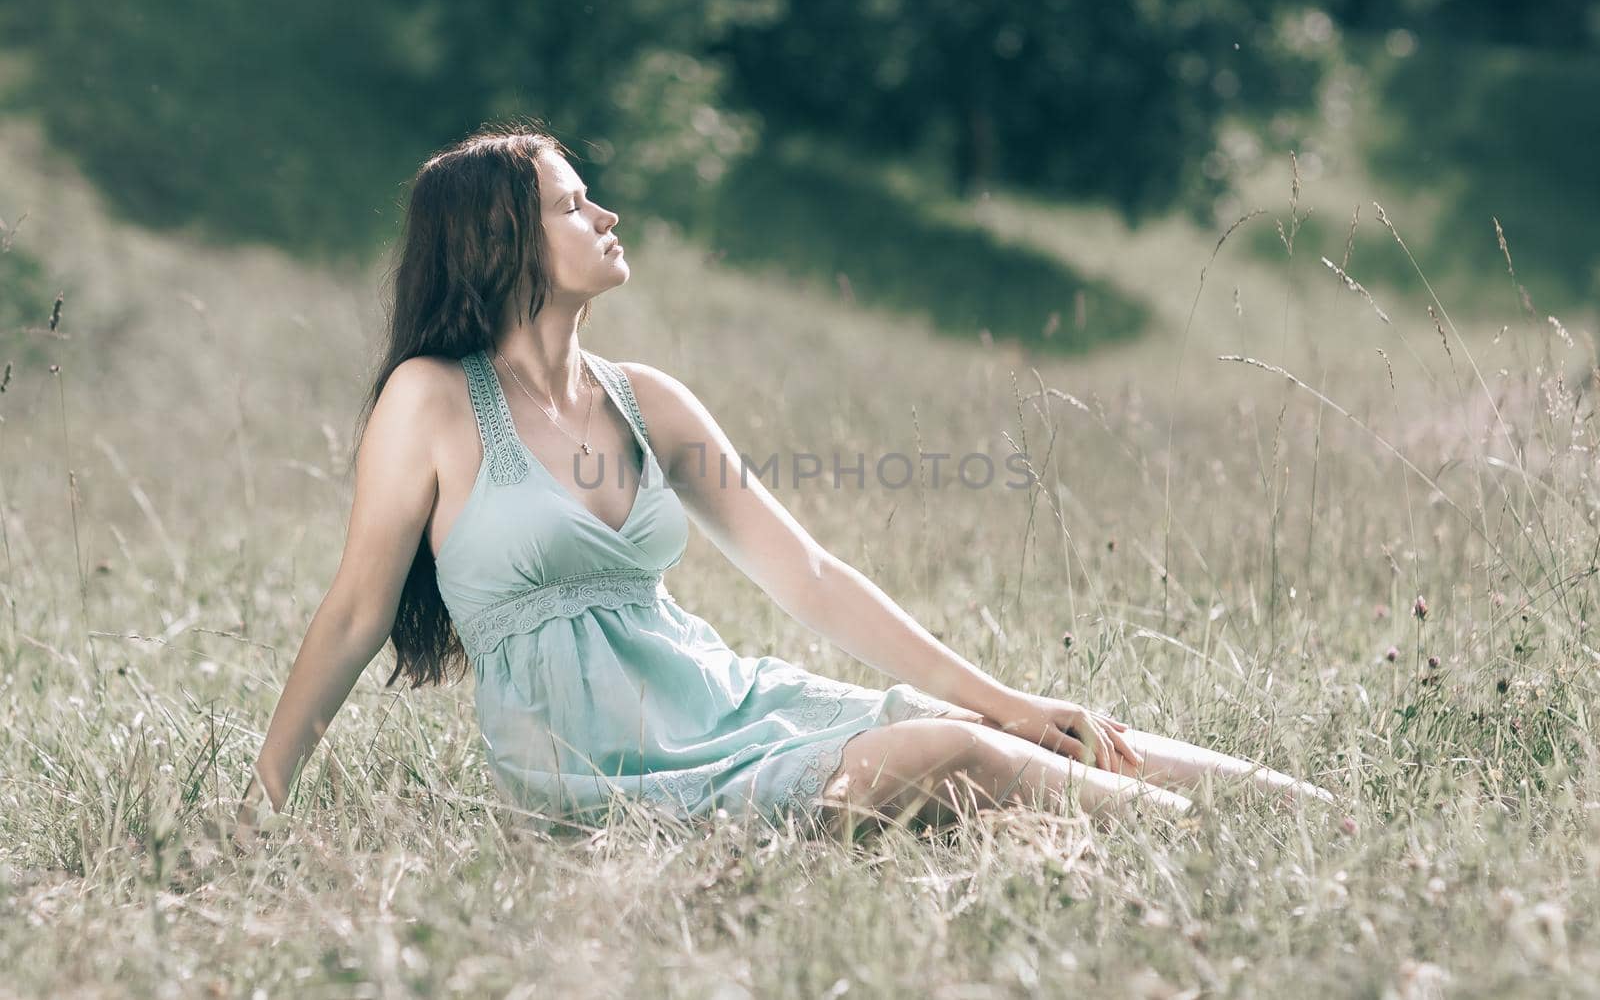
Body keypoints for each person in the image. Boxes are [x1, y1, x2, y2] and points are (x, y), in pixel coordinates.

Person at [233, 123, 1331, 849]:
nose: (608, 215)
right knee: (945, 750)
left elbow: (807, 574)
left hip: (733, 704)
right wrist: (261, 803)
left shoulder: (648, 398)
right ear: (500, 240)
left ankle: (1313, 814)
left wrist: (1007, 695)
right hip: (603, 773)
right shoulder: (430, 401)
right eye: (576, 204)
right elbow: (353, 614)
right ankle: (1194, 839)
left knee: (1000, 730)